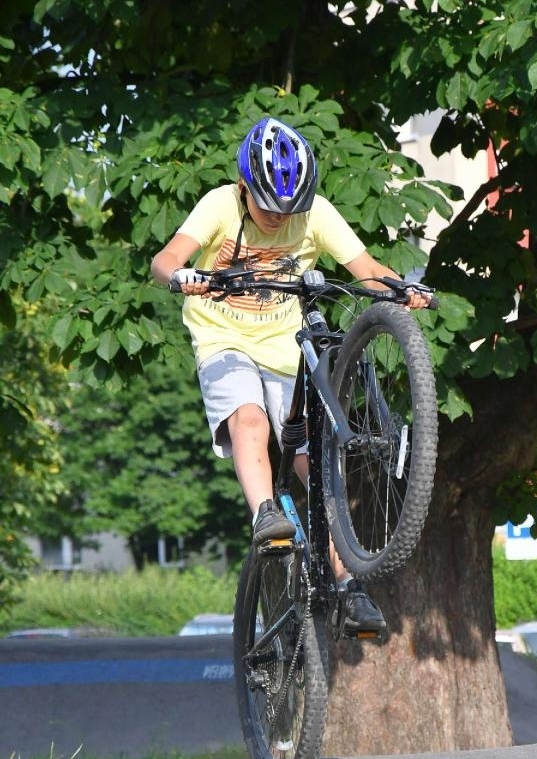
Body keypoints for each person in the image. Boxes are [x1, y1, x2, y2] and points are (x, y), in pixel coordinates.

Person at [151, 116, 428, 636]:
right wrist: (183, 277)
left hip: (283, 344)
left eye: (291, 210)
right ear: (243, 187)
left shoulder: (315, 213)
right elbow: (164, 259)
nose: (280, 219)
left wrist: (401, 290)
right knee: (250, 421)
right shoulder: (218, 205)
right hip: (222, 339)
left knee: (312, 460)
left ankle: (348, 585)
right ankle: (266, 517)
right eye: (267, 208)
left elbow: (365, 267)